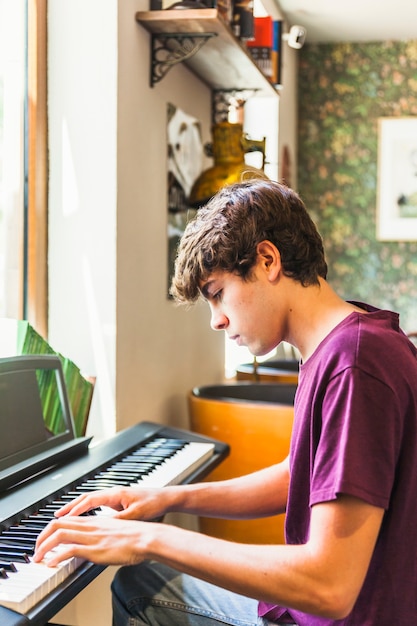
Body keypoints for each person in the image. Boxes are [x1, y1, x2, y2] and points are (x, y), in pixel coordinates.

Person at [34, 179, 417, 625]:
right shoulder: (348, 340)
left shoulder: (353, 365)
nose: (216, 321)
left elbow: (329, 586)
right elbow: (302, 473)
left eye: (217, 294)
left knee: (138, 587)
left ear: (268, 260)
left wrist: (148, 540)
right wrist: (165, 499)